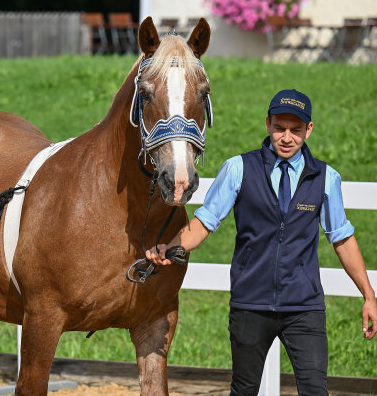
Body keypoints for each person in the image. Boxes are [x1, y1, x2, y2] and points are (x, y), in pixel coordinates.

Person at [146, 89, 377, 395]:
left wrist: (368, 295)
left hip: (304, 308)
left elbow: (342, 238)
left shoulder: (326, 178)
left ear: (308, 130)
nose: (286, 137)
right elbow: (204, 222)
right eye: (280, 127)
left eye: (296, 130)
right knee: (244, 391)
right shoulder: (238, 169)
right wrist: (171, 248)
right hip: (249, 305)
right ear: (268, 124)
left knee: (314, 390)